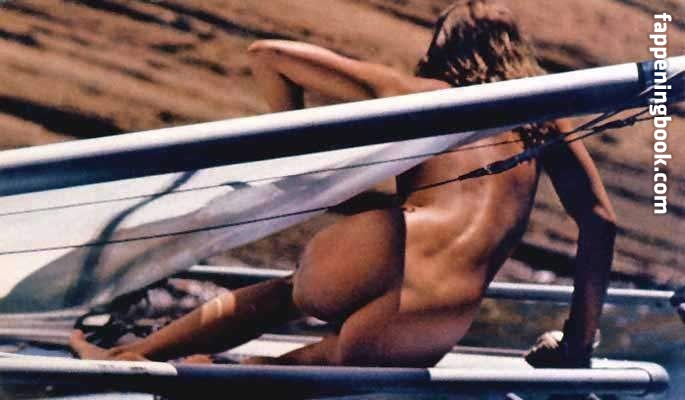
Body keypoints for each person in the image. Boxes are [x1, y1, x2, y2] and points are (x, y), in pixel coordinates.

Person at [70, 0, 616, 369]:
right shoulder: (547, 121)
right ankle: (211, 370)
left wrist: (294, 156)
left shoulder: (421, 94)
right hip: (441, 312)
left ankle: (134, 356)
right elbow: (599, 221)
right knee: (306, 369)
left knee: (284, 296)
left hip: (385, 246)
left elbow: (270, 56)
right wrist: (577, 340)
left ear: (445, 49)